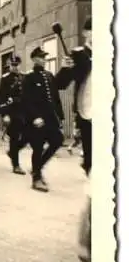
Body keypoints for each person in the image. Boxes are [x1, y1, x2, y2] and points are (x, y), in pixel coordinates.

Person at [21, 46, 64, 192]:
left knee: (58, 140)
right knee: (38, 147)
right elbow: (26, 100)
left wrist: (61, 117)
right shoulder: (29, 77)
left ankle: (37, 167)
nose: (43, 60)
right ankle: (36, 179)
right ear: (33, 59)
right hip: (37, 120)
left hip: (50, 118)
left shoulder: (49, 75)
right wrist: (35, 117)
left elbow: (55, 98)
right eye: (40, 57)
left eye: (44, 57)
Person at [56, 16, 92, 175]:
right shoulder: (79, 55)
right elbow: (60, 84)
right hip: (88, 111)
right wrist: (65, 68)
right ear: (86, 33)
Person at [0, 54, 26, 175]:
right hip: (12, 112)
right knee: (14, 138)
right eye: (12, 65)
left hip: (24, 112)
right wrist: (5, 114)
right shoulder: (5, 78)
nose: (15, 67)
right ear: (10, 65)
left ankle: (13, 152)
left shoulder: (24, 77)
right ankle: (16, 165)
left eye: (16, 65)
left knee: (27, 135)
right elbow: (1, 97)